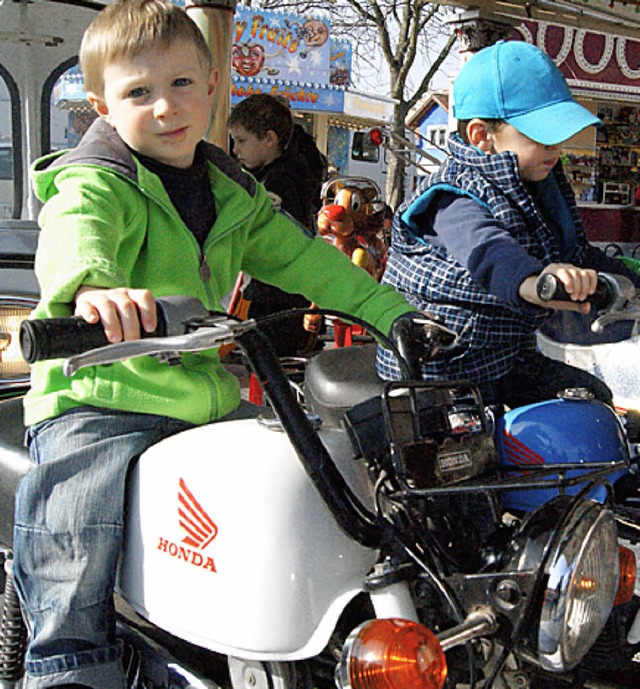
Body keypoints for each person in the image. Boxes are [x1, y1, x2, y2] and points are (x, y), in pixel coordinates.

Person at [13, 2, 417, 688]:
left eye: (181, 85)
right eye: (139, 92)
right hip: (100, 395)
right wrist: (95, 291)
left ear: (210, 88)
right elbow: (79, 231)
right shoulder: (98, 178)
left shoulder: (233, 192)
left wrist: (396, 315)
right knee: (71, 538)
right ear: (102, 104)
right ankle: (67, 668)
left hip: (200, 398)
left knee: (298, 479)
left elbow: (309, 262)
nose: (165, 107)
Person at [377, 40, 640, 409]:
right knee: (466, 457)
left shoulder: (536, 183)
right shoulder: (452, 198)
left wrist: (629, 283)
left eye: (558, 135)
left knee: (592, 404)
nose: (556, 147)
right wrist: (537, 282)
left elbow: (575, 253)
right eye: (540, 135)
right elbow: (491, 255)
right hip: (439, 372)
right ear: (481, 136)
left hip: (505, 358)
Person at [227, 93, 319, 355]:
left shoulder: (283, 181)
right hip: (279, 289)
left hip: (279, 292)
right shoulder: (283, 173)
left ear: (270, 139)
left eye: (242, 141)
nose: (236, 150)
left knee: (269, 361)